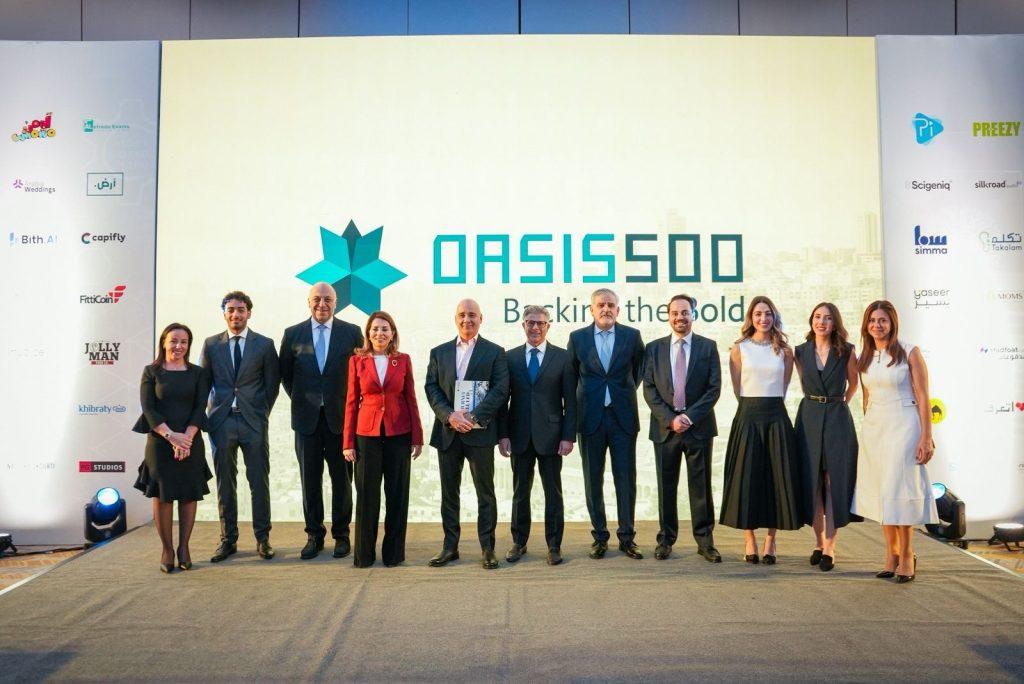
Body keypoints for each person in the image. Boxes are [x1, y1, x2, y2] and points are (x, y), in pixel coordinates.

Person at [852, 300, 938, 583]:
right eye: (872, 320)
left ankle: (908, 554)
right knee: (882, 493)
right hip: (875, 429)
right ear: (866, 325)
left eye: (882, 320)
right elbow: (866, 396)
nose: (877, 325)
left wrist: (926, 436)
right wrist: (867, 428)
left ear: (892, 323)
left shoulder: (910, 352)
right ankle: (891, 555)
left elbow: (923, 396)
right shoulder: (865, 356)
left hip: (904, 425)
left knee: (898, 489)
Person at [280, 282, 363, 560]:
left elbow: (360, 375)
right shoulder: (293, 334)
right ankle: (314, 535)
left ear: (336, 303)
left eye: (328, 299)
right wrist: (307, 401)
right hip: (306, 421)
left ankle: (342, 535)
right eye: (317, 299)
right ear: (309, 302)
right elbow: (286, 376)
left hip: (341, 421)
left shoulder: (351, 333)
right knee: (310, 481)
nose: (322, 304)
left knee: (342, 481)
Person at [424, 299, 509, 569]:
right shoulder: (439, 352)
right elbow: (431, 388)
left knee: (486, 493)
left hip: (480, 433)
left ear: (481, 319)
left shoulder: (495, 352)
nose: (467, 319)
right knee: (449, 493)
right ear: (455, 318)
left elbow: (500, 389)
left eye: (472, 315)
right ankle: (450, 547)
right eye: (462, 314)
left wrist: (473, 417)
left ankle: (487, 548)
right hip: (448, 432)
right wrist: (449, 415)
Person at [719, 295, 802, 564]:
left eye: (767, 314)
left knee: (777, 477)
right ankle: (749, 539)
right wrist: (751, 408)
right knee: (747, 477)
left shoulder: (785, 351)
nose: (763, 318)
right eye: (758, 314)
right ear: (751, 318)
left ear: (774, 317)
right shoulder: (739, 349)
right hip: (748, 416)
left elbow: (784, 386)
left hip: (776, 417)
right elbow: (737, 388)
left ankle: (770, 540)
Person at [200, 291, 280, 562]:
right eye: (231, 309)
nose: (236, 314)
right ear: (224, 313)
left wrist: (260, 413)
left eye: (241, 309)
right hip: (221, 422)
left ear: (249, 313)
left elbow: (272, 385)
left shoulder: (264, 345)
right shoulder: (211, 345)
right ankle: (228, 539)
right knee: (225, 483)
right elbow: (204, 385)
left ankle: (263, 538)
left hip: (253, 422)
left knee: (259, 481)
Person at [642, 294, 722, 563]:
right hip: (665, 429)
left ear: (693, 315)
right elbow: (649, 389)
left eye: (685, 312)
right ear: (668, 316)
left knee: (701, 487)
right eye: (675, 313)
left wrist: (688, 417)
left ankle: (705, 541)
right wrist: (670, 419)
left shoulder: (708, 347)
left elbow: (713, 389)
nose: (680, 317)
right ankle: (665, 539)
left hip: (698, 428)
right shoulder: (653, 348)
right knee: (666, 487)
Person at [567, 288, 646, 560]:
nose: (606, 309)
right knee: (593, 480)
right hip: (590, 418)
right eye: (601, 305)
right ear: (591, 310)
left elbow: (638, 371)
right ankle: (600, 537)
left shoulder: (632, 336)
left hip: (623, 418)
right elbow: (572, 377)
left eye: (611, 305)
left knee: (626, 479)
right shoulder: (577, 338)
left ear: (618, 310)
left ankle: (627, 538)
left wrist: (619, 394)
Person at [497, 305, 577, 566]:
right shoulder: (509, 358)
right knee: (520, 492)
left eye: (540, 323)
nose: (535, 327)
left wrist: (568, 436)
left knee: (553, 493)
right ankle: (518, 542)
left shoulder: (563, 357)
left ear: (548, 326)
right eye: (530, 322)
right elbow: (503, 401)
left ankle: (554, 545)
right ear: (523, 325)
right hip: (518, 436)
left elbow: (571, 402)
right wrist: (503, 434)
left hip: (552, 437)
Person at [343, 311, 423, 567]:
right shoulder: (357, 361)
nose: (380, 333)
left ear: (392, 333)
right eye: (375, 329)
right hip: (366, 436)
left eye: (385, 329)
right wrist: (348, 442)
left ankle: (393, 554)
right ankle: (364, 555)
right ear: (368, 333)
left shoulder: (403, 360)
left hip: (399, 434)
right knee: (367, 496)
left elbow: (411, 398)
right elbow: (351, 402)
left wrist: (417, 436)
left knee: (397, 495)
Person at [133, 323, 212, 573]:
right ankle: (167, 550)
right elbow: (148, 409)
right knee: (163, 495)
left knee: (189, 494)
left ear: (189, 345)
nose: (178, 346)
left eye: (184, 342)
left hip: (191, 440)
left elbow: (200, 407)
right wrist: (171, 437)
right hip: (160, 442)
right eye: (174, 340)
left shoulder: (198, 373)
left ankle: (184, 548)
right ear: (164, 342)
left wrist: (186, 438)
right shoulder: (151, 372)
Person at [794, 303, 861, 572]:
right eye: (818, 317)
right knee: (814, 482)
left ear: (835, 323)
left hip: (836, 418)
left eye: (828, 318)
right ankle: (818, 542)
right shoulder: (800, 351)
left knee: (833, 482)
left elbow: (854, 383)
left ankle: (830, 547)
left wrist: (839, 403)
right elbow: (803, 382)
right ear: (811, 320)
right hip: (809, 417)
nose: (821, 322)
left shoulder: (847, 351)